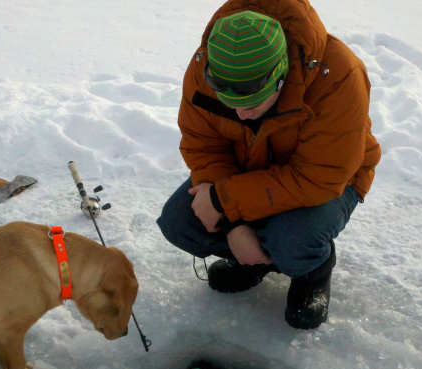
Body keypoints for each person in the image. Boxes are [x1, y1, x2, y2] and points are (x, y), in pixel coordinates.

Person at [157, 0, 381, 329]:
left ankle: (312, 273)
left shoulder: (338, 74)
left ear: (281, 77)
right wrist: (234, 226)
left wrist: (223, 200)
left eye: (251, 104)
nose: (240, 115)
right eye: (229, 104)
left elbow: (319, 177)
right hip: (251, 171)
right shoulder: (206, 65)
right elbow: (204, 146)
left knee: (290, 238)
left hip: (332, 179)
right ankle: (254, 260)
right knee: (180, 222)